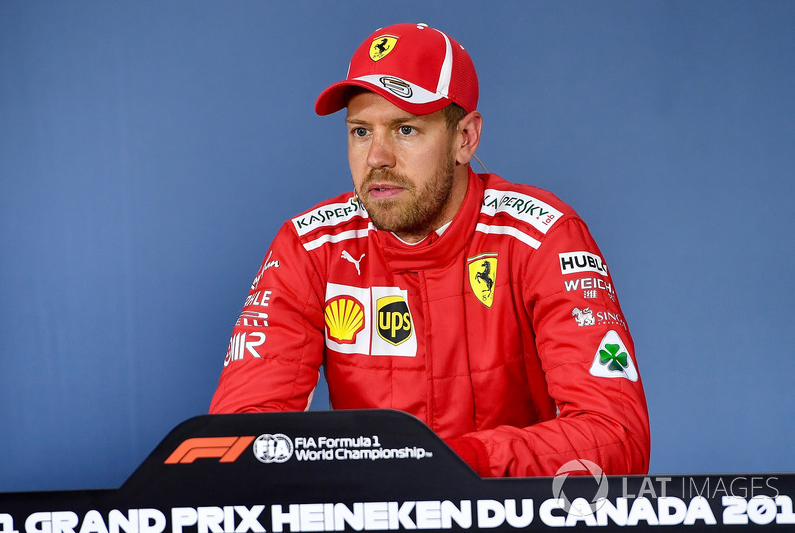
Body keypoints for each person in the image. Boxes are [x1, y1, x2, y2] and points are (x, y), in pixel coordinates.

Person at [210, 22, 650, 477]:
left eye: (405, 130)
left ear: (465, 138)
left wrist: (444, 468)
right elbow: (235, 443)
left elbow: (616, 435)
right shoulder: (311, 247)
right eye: (360, 131)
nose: (377, 157)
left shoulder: (542, 237)